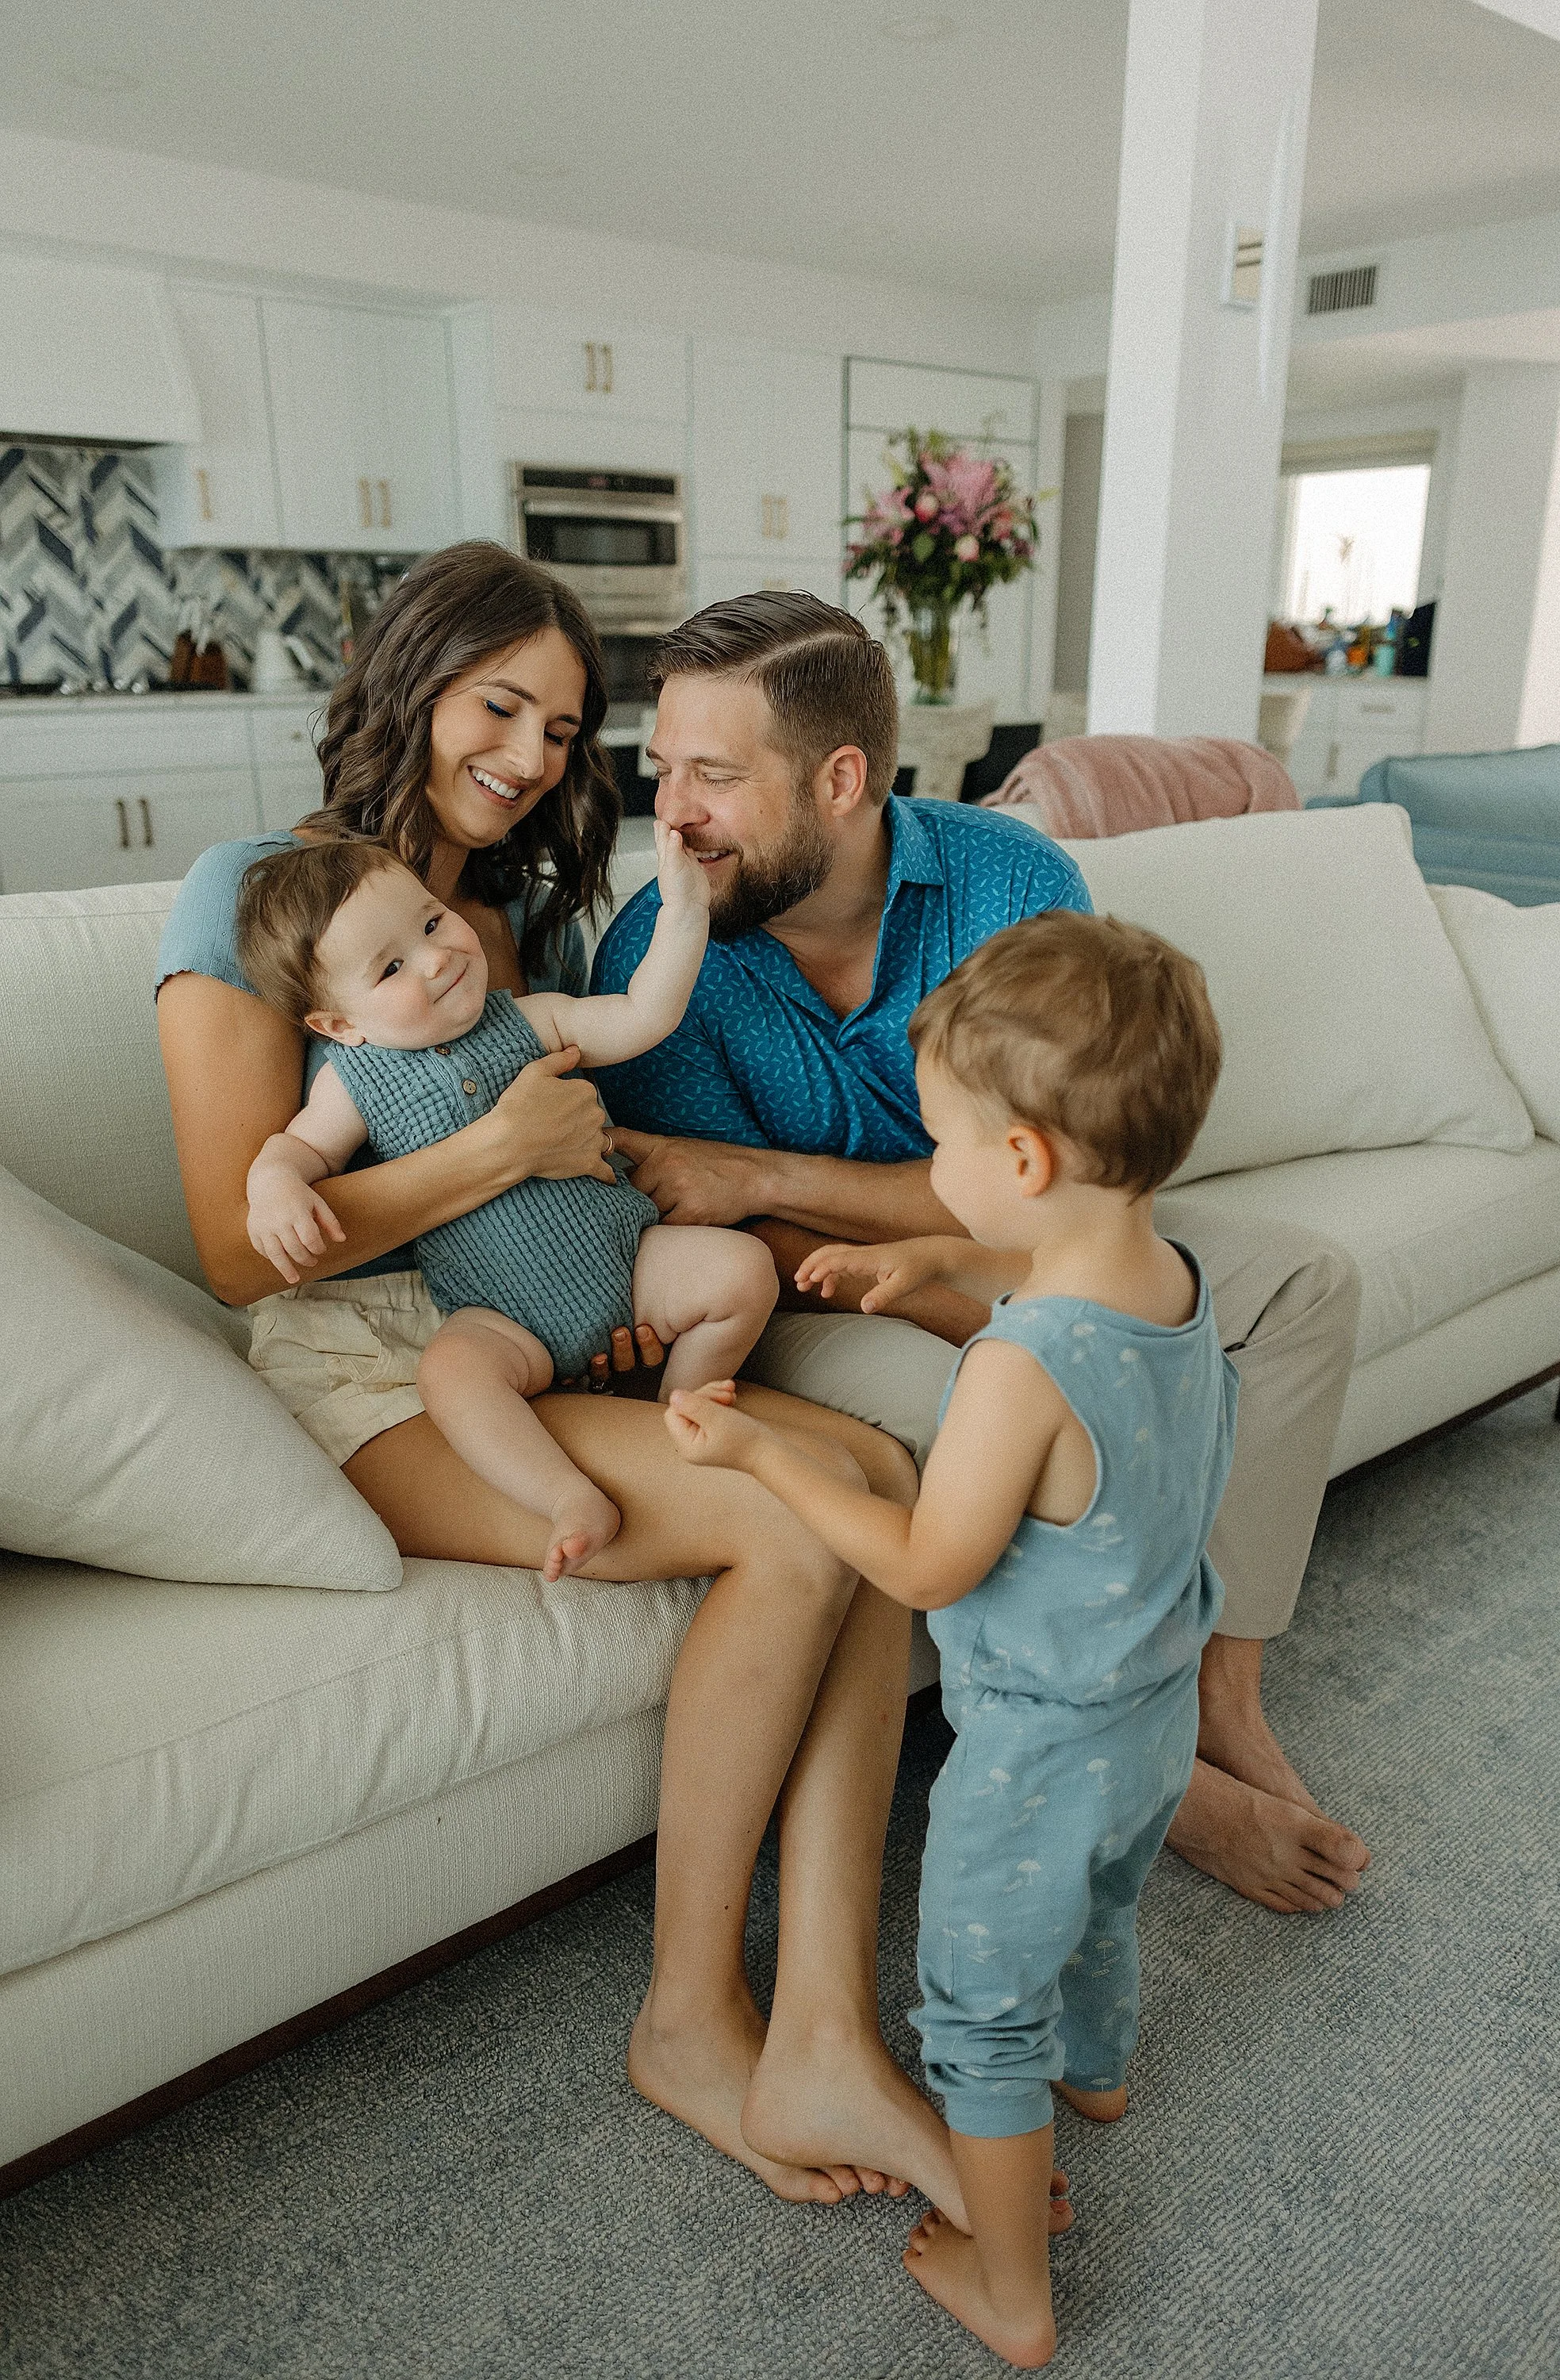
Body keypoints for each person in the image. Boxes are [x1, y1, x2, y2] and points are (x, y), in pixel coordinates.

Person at [155, 543, 996, 2221]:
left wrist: (599, 1247)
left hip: (539, 1330)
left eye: (559, 726)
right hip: (381, 1372)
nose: (534, 757)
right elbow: (246, 1251)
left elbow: (592, 1138)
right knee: (798, 1524)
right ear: (411, 683)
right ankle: (691, 2019)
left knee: (874, 1482)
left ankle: (824, 2018)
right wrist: (490, 1156)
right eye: (499, 707)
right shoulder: (264, 898)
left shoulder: (524, 919)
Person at [592, 589, 1372, 1918]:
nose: (672, 812)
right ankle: (1143, 1776)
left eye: (714, 775)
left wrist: (783, 1172)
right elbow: (730, 1230)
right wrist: (905, 1251)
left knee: (1305, 1286)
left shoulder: (1013, 883)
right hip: (830, 1289)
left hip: (1040, 1235)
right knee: (986, 1406)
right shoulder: (658, 961)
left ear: (840, 781)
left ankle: (1214, 1702)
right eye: (663, 768)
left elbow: (1065, 1164)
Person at [666, 908, 1237, 2369]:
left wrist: (770, 1467)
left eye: (943, 1149)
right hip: (1150, 1714)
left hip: (1036, 1752)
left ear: (1025, 1163)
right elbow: (1041, 1269)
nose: (936, 1170)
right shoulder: (1167, 1283)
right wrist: (929, 1256)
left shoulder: (1017, 1372)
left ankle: (1011, 2289)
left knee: (981, 2014)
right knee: (1102, 1908)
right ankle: (1096, 2075)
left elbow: (924, 1566)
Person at [234, 827, 777, 1579]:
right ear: (340, 1025)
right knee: (451, 1376)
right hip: (501, 1318)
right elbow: (299, 1150)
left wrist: (686, 911)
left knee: (744, 1269)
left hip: (629, 1263)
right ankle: (566, 1497)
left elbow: (644, 1014)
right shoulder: (354, 1081)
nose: (436, 957)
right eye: (392, 966)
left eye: (431, 922)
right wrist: (273, 1184)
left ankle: (677, 1408)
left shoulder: (531, 1017)